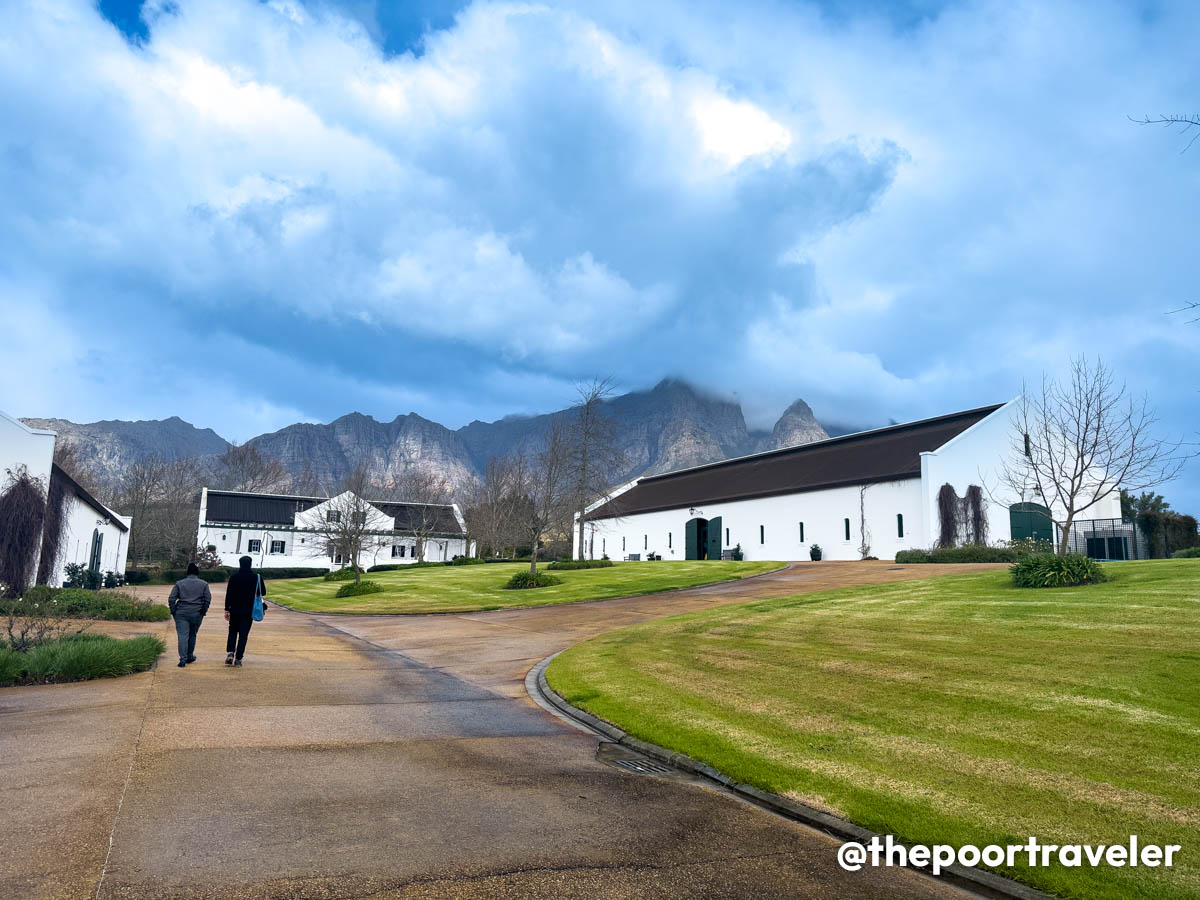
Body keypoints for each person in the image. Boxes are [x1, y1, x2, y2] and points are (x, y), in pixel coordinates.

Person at [224, 555, 267, 667]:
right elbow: (263, 592)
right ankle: (239, 658)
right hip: (248, 610)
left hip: (234, 609)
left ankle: (230, 653)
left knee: (232, 632)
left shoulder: (234, 577)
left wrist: (227, 609)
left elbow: (229, 594)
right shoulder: (256, 577)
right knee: (243, 635)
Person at [168, 563, 211, 668]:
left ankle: (182, 659)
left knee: (182, 636)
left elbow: (172, 598)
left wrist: (174, 611)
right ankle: (189, 656)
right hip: (196, 612)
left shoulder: (179, 583)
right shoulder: (204, 584)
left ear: (187, 572)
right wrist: (203, 611)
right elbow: (207, 599)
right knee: (192, 634)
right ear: (197, 572)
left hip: (181, 612)